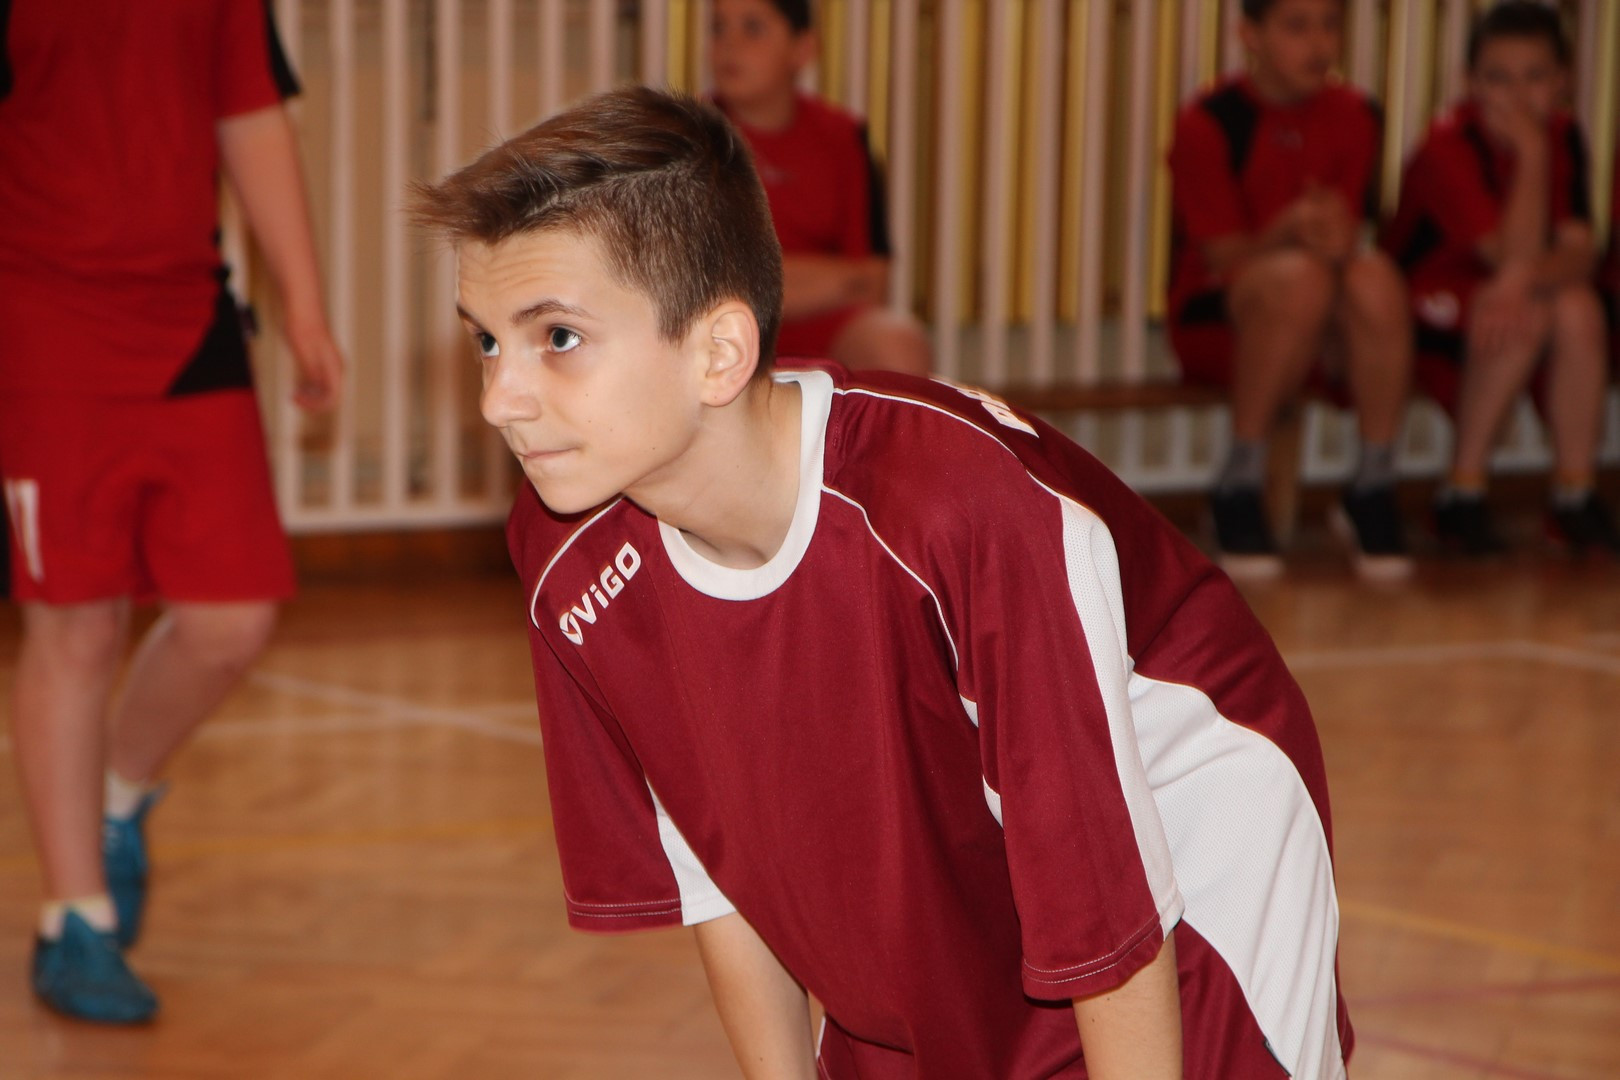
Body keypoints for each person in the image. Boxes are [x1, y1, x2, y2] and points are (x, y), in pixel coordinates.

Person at [416, 86, 1352, 1079]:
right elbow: (723, 876)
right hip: (967, 868)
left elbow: (1105, 910)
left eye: (557, 338)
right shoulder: (567, 554)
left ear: (719, 353)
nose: (500, 399)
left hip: (1185, 858)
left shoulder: (957, 508)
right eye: (487, 340)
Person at [0, 1, 343, 1022]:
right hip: (39, 320)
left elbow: (249, 113)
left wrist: (305, 303)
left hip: (188, 316)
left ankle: (117, 796)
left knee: (232, 618)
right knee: (74, 625)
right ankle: (75, 919)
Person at [1167, 0, 1413, 581]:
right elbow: (1223, 256)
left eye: (1330, 25)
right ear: (1250, 34)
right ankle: (1239, 481)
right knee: (1300, 279)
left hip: (1323, 311)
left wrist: (1335, 236)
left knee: (1376, 277)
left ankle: (1373, 482)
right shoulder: (1209, 119)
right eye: (1297, 27)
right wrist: (1288, 229)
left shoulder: (1356, 113)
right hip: (1221, 316)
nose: (1319, 44)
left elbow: (1349, 231)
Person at [1384, 1, 1617, 556]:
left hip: (1505, 292)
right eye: (1498, 79)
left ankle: (1574, 492)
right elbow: (1506, 257)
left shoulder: (1566, 134)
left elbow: (1579, 253)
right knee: (1524, 309)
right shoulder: (1447, 145)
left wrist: (1526, 276)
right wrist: (1533, 156)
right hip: (1422, 305)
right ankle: (1460, 491)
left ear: (1562, 82)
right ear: (1469, 84)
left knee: (1578, 306)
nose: (1517, 97)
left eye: (1534, 77)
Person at [709, 0, 931, 377]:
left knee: (898, 341)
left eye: (752, 28)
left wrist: (758, 279)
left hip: (825, 327)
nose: (729, 44)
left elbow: (870, 281)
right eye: (718, 28)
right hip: (722, 329)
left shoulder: (844, 137)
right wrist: (832, 278)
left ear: (803, 48)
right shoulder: (689, 138)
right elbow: (708, 284)